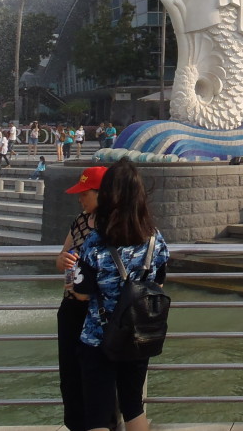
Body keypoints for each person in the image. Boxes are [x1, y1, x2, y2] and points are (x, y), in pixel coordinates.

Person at [71, 159, 168, 431]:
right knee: (134, 406)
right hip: (138, 335)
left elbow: (81, 294)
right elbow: (158, 283)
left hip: (99, 338)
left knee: (98, 415)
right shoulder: (154, 239)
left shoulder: (96, 242)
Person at [54, 165, 105, 431]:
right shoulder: (80, 221)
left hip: (97, 312)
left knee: (96, 377)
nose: (80, 198)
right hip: (71, 306)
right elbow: (61, 258)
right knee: (70, 375)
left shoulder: (116, 226)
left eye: (86, 193)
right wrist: (62, 260)